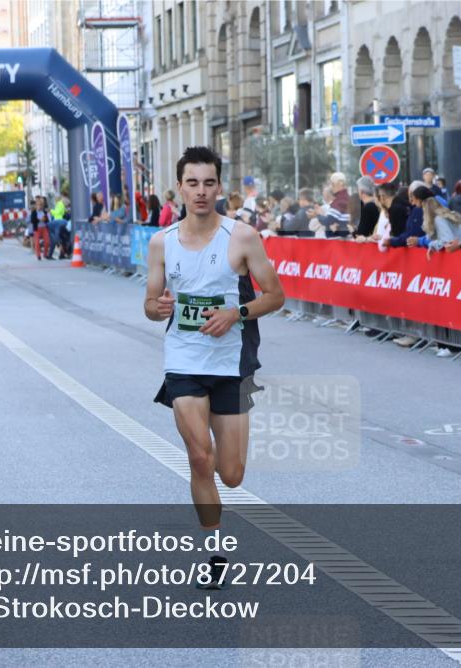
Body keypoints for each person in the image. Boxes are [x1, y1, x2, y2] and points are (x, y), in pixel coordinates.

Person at [145, 146, 284, 589]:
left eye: (209, 183)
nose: (201, 192)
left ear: (219, 187)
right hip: (183, 359)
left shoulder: (242, 237)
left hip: (232, 362)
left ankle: (217, 478)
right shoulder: (162, 242)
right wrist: (159, 305)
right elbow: (150, 305)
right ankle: (214, 550)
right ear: (180, 187)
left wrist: (236, 314)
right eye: (192, 183)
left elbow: (275, 296)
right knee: (199, 458)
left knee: (232, 473)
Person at [30, 196, 52, 261]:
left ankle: (45, 254)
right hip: (37, 229)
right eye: (38, 205)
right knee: (37, 243)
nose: (39, 206)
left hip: (44, 228)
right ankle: (38, 255)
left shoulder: (44, 212)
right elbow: (32, 220)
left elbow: (48, 220)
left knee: (47, 241)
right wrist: (40, 220)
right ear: (36, 205)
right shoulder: (34, 212)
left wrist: (45, 219)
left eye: (41, 205)